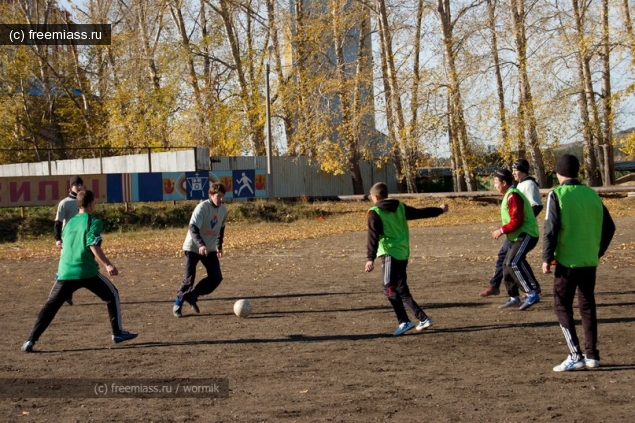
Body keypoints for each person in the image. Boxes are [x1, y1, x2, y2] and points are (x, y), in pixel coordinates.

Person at [22, 190, 137, 352]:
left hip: (65, 271)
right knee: (112, 295)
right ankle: (117, 333)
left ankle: (30, 340)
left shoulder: (69, 223)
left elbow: (66, 244)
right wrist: (107, 264)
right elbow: (92, 243)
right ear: (91, 203)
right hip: (86, 271)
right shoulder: (93, 221)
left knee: (50, 307)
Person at [542, 154, 615, 372]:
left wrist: (546, 257)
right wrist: (596, 251)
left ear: (557, 173)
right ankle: (592, 355)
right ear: (578, 172)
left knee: (562, 305)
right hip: (588, 261)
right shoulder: (592, 194)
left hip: (566, 262)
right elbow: (610, 227)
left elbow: (551, 229)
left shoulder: (557, 194)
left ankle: (575, 354)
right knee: (587, 306)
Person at [365, 182, 448, 336]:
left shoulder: (375, 212)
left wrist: (370, 258)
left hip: (390, 254)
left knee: (388, 288)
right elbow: (420, 213)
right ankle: (423, 319)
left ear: (375, 196)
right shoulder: (400, 207)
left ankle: (404, 321)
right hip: (403, 253)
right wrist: (439, 210)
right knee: (401, 289)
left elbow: (372, 237)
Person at [480, 159, 543, 297]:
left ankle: (529, 289)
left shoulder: (528, 185)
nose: (514, 172)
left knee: (512, 260)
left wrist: (525, 221)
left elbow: (536, 206)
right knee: (509, 259)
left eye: (516, 169)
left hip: (521, 230)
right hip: (515, 230)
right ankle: (508, 291)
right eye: (513, 169)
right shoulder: (517, 187)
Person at [173, 182, 228, 318]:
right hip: (192, 247)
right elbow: (193, 228)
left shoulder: (223, 210)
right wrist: (200, 245)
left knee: (216, 277)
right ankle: (178, 303)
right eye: (218, 196)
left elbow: (221, 228)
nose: (221, 199)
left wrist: (219, 246)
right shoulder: (202, 207)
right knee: (188, 280)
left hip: (209, 249)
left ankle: (193, 295)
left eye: (222, 196)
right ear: (211, 195)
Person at [491, 169, 541, 311]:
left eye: (496, 182)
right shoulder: (509, 195)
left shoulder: (513, 195)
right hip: (517, 236)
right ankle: (514, 297)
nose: (495, 185)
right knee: (506, 265)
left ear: (504, 183)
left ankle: (531, 293)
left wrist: (501, 230)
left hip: (526, 234)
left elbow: (517, 220)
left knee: (513, 262)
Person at [53, 175, 85, 306]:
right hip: (67, 240)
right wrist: (58, 239)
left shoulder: (83, 201)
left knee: (79, 264)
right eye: (76, 184)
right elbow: (58, 222)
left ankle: (66, 293)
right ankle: (60, 293)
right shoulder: (65, 203)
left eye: (80, 184)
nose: (78, 187)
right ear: (70, 187)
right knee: (65, 267)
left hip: (80, 239)